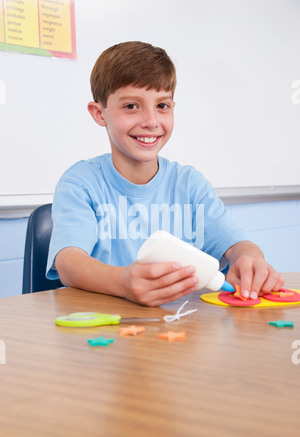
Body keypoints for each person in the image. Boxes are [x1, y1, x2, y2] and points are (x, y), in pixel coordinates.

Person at [46, 41, 284, 307]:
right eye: (131, 106)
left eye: (162, 106)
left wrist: (250, 258)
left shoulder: (190, 185)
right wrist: (124, 281)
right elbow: (68, 263)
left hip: (182, 330)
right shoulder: (80, 183)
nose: (151, 121)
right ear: (99, 113)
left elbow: (238, 245)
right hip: (108, 329)